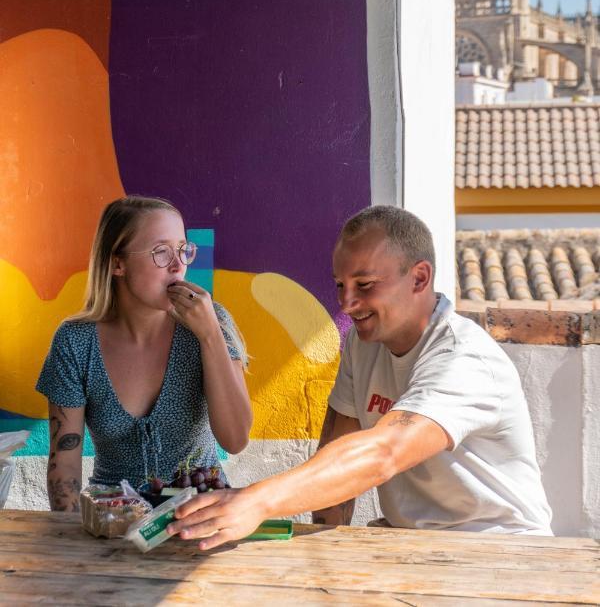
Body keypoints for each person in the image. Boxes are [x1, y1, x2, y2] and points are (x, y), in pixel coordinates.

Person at [167, 205, 553, 548]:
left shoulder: (464, 359)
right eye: (340, 285)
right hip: (414, 547)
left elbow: (384, 452)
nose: (347, 304)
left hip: (500, 553)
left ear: (419, 278)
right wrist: (326, 555)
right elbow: (339, 449)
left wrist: (255, 501)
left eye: (365, 286)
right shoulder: (365, 343)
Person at [36, 195, 252, 511]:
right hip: (113, 523)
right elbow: (64, 468)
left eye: (182, 249)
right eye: (161, 252)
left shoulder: (211, 322)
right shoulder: (75, 342)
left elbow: (235, 440)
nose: (179, 265)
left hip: (201, 520)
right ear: (117, 263)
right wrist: (75, 542)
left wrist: (210, 336)